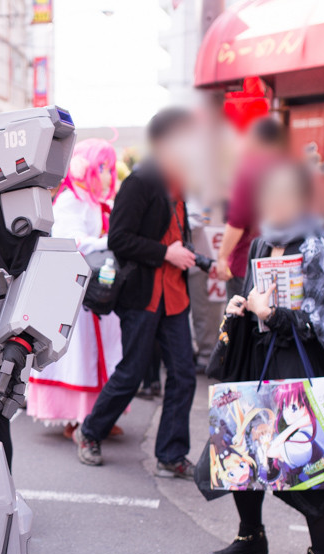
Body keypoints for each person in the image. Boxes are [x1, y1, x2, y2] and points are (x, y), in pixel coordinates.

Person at [204, 161, 324, 554]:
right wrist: (242, 307)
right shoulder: (260, 244)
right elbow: (252, 295)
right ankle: (250, 535)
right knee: (244, 447)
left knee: (306, 462)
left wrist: (272, 314)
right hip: (259, 356)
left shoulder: (316, 247)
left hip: (300, 363)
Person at [74, 107, 199, 478]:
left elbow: (176, 233)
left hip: (174, 295)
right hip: (143, 295)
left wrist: (189, 255)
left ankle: (170, 455)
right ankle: (90, 432)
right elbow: (119, 239)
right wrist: (166, 253)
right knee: (131, 372)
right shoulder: (141, 181)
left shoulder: (177, 181)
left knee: (184, 374)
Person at [26, 138, 121, 434]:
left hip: (93, 285)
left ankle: (96, 414)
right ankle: (76, 416)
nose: (107, 174)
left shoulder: (91, 200)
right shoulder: (71, 199)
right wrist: (110, 243)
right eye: (102, 166)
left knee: (97, 349)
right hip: (74, 288)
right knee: (80, 353)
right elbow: (71, 240)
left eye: (110, 168)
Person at [215, 116, 286, 297]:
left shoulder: (249, 172)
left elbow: (237, 221)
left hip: (247, 264)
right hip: (281, 264)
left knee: (241, 322)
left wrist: (222, 257)